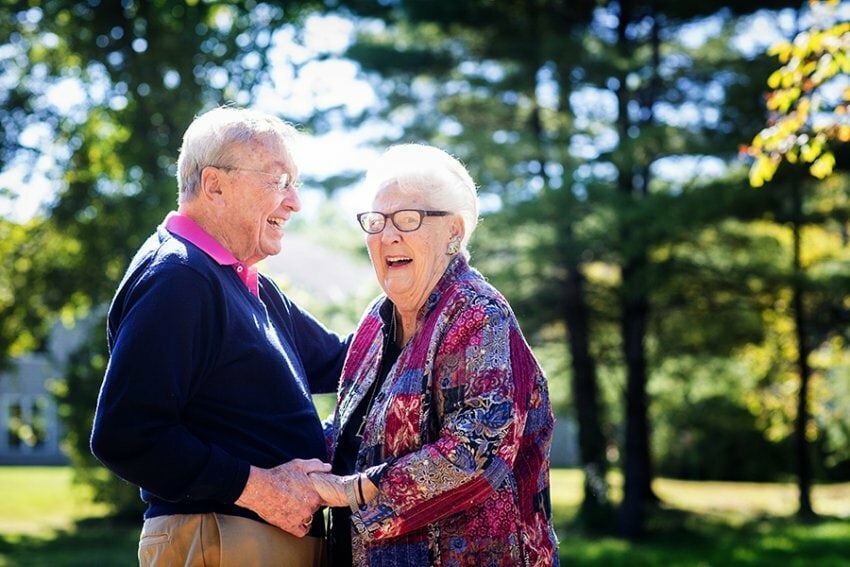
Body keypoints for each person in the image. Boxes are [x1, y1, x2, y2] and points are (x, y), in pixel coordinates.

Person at [90, 106, 349, 566]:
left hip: (257, 539)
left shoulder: (246, 284)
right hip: (220, 538)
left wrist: (429, 306)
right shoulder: (179, 277)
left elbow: (344, 361)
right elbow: (124, 434)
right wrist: (257, 488)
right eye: (278, 181)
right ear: (215, 185)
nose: (295, 203)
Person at [310, 144, 559, 566]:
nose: (388, 235)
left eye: (409, 219)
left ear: (454, 232)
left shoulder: (478, 315)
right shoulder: (376, 320)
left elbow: (476, 452)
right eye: (376, 221)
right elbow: (353, 433)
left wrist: (353, 490)